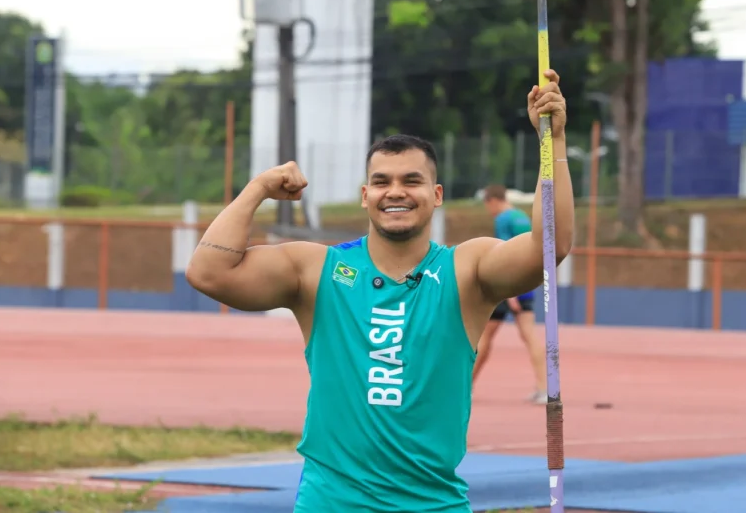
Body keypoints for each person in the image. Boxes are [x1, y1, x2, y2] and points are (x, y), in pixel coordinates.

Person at [185, 69, 573, 512]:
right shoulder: (316, 269)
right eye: (383, 182)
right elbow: (208, 272)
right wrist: (257, 189)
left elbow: (552, 245)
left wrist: (553, 142)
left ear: (437, 194)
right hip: (332, 503)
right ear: (365, 195)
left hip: (432, 503)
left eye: (412, 181)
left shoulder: (467, 269)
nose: (397, 192)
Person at [472, 184, 547, 404]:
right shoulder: (522, 216)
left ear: (492, 201)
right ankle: (545, 389)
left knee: (484, 338)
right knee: (531, 337)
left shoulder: (503, 219)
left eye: (488, 206)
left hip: (509, 287)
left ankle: (466, 386)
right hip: (528, 284)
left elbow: (505, 254)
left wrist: (509, 294)